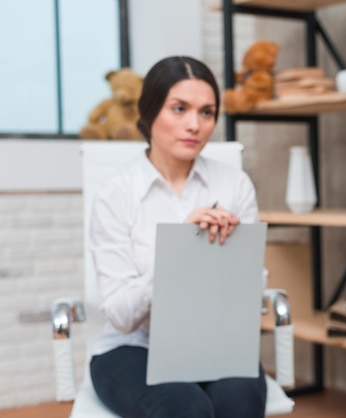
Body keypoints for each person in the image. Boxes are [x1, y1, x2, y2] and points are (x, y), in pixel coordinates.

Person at [88, 56, 266, 418]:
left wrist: (233, 259)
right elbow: (121, 315)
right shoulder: (116, 194)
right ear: (149, 110)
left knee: (240, 401)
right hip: (132, 347)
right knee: (186, 409)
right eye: (179, 109)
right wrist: (181, 251)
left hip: (216, 344)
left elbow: (252, 294)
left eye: (206, 112)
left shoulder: (233, 185)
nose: (194, 125)